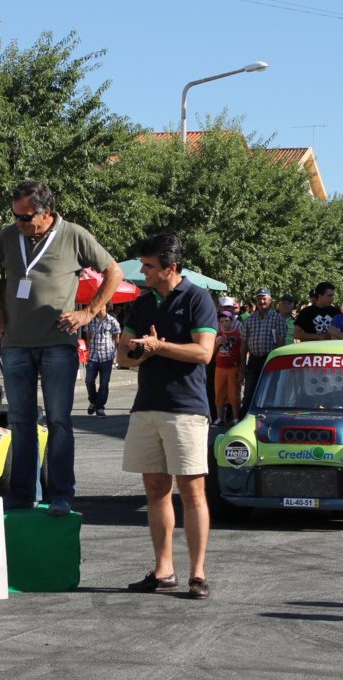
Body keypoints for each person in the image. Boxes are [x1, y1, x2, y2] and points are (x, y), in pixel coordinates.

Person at [0, 181, 122, 516]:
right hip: (15, 344)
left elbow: (112, 271)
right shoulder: (10, 236)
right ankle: (23, 494)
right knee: (21, 421)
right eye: (15, 216)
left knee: (58, 421)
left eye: (26, 217)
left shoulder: (74, 235)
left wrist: (88, 311)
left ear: (46, 213)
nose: (19, 223)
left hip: (58, 344)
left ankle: (60, 494)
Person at [118, 234, 216, 600]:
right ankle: (164, 570)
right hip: (146, 406)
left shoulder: (197, 299)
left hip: (186, 408)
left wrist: (159, 347)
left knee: (192, 491)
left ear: (170, 268)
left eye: (149, 267)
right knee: (156, 489)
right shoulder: (142, 304)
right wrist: (141, 352)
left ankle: (198, 573)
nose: (142, 272)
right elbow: (123, 357)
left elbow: (203, 352)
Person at [240, 288, 286, 417]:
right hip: (253, 360)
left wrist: (277, 364)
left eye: (264, 298)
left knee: (269, 392)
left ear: (270, 301)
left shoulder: (277, 319)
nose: (262, 301)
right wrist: (242, 366)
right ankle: (244, 420)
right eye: (259, 298)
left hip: (270, 359)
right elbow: (244, 344)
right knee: (248, 393)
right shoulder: (250, 319)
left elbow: (280, 343)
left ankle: (267, 419)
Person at [84, 305, 121, 417]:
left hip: (107, 357)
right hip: (93, 356)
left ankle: (100, 407)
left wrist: (117, 355)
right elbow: (88, 337)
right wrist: (90, 347)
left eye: (102, 305)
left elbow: (116, 339)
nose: (99, 307)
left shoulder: (112, 321)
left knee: (104, 384)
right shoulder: (91, 321)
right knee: (89, 381)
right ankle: (93, 401)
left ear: (107, 307)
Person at [213, 311, 243, 425]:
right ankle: (220, 418)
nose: (224, 323)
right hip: (220, 368)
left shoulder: (237, 335)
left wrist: (241, 370)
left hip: (233, 368)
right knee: (219, 393)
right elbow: (211, 353)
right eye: (221, 321)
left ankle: (235, 418)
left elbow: (241, 354)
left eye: (227, 321)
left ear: (232, 321)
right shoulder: (218, 335)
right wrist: (217, 343)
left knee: (234, 394)